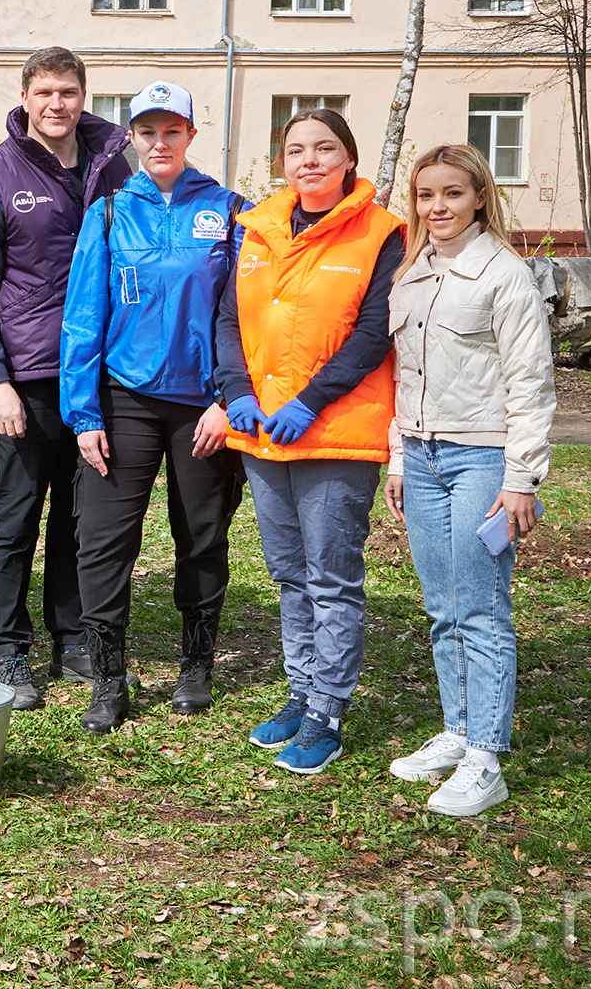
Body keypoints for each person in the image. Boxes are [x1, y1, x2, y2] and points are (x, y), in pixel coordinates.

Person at [214, 107, 404, 775]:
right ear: (282, 163)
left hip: (335, 436)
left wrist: (312, 401)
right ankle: (302, 693)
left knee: (330, 577)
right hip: (263, 433)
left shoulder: (382, 233)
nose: (311, 160)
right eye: (296, 150)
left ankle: (328, 712)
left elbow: (374, 331)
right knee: (289, 573)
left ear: (348, 158)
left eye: (325, 148)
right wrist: (235, 390)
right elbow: (229, 317)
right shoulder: (257, 228)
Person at [60, 82, 249, 733]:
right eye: (147, 131)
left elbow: (247, 318)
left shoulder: (228, 212)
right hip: (125, 399)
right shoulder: (110, 213)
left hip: (205, 405)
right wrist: (84, 414)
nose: (160, 142)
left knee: (201, 534)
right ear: (132, 139)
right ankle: (109, 677)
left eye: (172, 130)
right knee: (104, 542)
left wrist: (230, 401)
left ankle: (196, 664)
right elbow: (84, 316)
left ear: (191, 135)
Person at [0, 46, 133, 709]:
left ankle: (73, 636)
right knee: (17, 511)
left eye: (69, 92)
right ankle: (6, 649)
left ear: (84, 96)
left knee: (82, 513)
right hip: (26, 374)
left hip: (98, 371)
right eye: (45, 92)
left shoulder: (114, 166)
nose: (57, 104)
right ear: (25, 98)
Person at [383, 144, 555, 817]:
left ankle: (486, 758)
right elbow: (405, 377)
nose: (438, 207)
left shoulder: (503, 275)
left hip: (482, 460)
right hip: (422, 459)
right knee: (442, 606)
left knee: (481, 610)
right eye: (427, 195)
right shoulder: (414, 273)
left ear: (480, 195)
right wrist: (399, 458)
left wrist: (521, 480)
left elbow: (531, 384)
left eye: (452, 193)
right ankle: (457, 731)